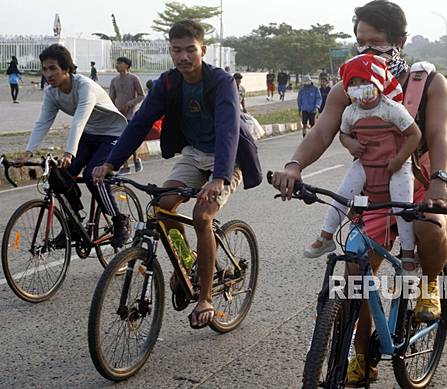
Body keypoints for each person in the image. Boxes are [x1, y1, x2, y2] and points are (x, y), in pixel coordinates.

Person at [269, 1, 447, 384]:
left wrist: (438, 181)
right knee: (355, 272)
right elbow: (321, 132)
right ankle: (362, 354)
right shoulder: (348, 86)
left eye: (378, 43)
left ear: (399, 42)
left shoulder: (428, 83)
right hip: (369, 187)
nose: (368, 52)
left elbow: (437, 135)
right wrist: (293, 167)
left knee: (429, 229)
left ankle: (430, 283)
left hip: (414, 181)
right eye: (360, 43)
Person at [92, 19, 262, 330]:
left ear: (203, 50)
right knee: (162, 205)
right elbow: (140, 123)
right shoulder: (168, 83)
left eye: (190, 50)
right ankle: (189, 262)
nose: (183, 57)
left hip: (228, 157)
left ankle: (206, 297)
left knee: (202, 216)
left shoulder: (220, 81)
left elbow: (227, 129)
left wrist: (220, 176)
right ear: (170, 51)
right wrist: (111, 162)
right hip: (194, 153)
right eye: (176, 51)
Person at [305, 53, 421, 272]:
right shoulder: (350, 112)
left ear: (377, 82)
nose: (360, 89)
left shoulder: (392, 109)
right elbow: (343, 134)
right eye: (354, 84)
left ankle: (407, 252)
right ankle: (325, 237)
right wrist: (350, 145)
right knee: (341, 197)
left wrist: (399, 160)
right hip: (365, 165)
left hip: (396, 167)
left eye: (364, 83)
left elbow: (415, 135)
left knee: (403, 208)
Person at [16, 44, 130, 248]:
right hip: (89, 134)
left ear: (67, 69)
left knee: (93, 177)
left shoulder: (84, 86)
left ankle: (119, 220)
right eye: (44, 69)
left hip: (113, 134)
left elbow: (79, 119)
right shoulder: (52, 93)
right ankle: (75, 222)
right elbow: (43, 122)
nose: (48, 74)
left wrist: (69, 152)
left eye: (53, 68)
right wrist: (27, 152)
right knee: (61, 175)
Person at [109, 56, 145, 175]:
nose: (117, 65)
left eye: (120, 63)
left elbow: (141, 95)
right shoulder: (114, 81)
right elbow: (111, 98)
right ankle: (125, 166)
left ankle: (136, 158)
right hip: (118, 115)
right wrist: (112, 110)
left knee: (130, 139)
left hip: (130, 114)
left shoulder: (134, 78)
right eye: (117, 63)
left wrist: (130, 104)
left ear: (126, 65)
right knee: (120, 140)